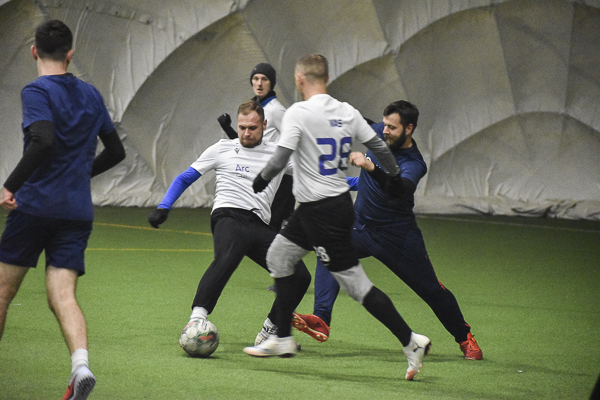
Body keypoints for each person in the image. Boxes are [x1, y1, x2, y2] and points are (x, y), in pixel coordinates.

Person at [243, 55, 431, 381]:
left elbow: (282, 156)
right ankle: (282, 337)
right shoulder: (347, 112)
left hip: (323, 212)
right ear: (326, 78)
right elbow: (379, 146)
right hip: (321, 207)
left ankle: (411, 341)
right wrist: (393, 173)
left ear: (299, 79)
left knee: (356, 286)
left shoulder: (299, 112)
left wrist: (261, 179)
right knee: (278, 256)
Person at [291, 100, 483, 360]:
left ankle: (464, 337)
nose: (385, 131)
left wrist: (370, 167)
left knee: (431, 290)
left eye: (393, 128)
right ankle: (321, 318)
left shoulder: (414, 163)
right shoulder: (378, 132)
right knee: (327, 250)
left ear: (409, 129)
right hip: (360, 227)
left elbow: (398, 190)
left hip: (397, 237)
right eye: (385, 125)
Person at [0, 20, 126, 400]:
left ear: (34, 51)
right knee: (63, 295)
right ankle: (81, 366)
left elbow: (42, 140)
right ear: (70, 55)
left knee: (3, 292)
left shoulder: (37, 90)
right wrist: (80, 174)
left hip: (35, 206)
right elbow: (116, 152)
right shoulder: (91, 94)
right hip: (76, 211)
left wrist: (10, 186)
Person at [147, 100, 311, 347]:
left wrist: (358, 182)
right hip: (228, 215)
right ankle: (196, 320)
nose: (246, 133)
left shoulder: (278, 155)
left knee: (300, 276)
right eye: (242, 127)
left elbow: (317, 176)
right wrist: (164, 206)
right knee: (229, 253)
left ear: (264, 125)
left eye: (252, 128)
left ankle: (270, 330)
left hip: (259, 225)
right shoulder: (222, 148)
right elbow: (184, 178)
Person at [217, 63, 295, 233]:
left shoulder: (276, 111)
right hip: (262, 177)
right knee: (260, 229)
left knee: (269, 230)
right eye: (256, 78)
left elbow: (294, 142)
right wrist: (228, 129)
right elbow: (248, 147)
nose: (259, 83)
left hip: (279, 180)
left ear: (272, 83)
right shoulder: (256, 109)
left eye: (264, 79)